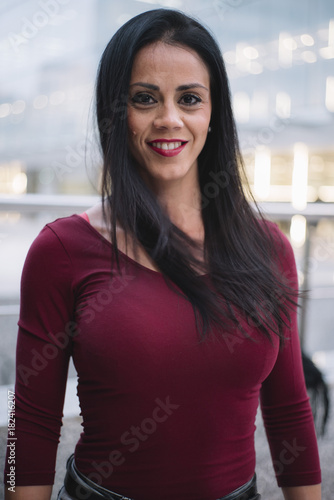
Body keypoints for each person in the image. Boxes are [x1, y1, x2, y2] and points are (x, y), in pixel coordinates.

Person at [4, 8, 321, 500]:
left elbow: (288, 411)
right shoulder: (62, 250)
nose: (169, 119)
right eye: (144, 99)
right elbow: (31, 419)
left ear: (214, 113)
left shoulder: (268, 248)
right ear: (116, 113)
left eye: (189, 98)